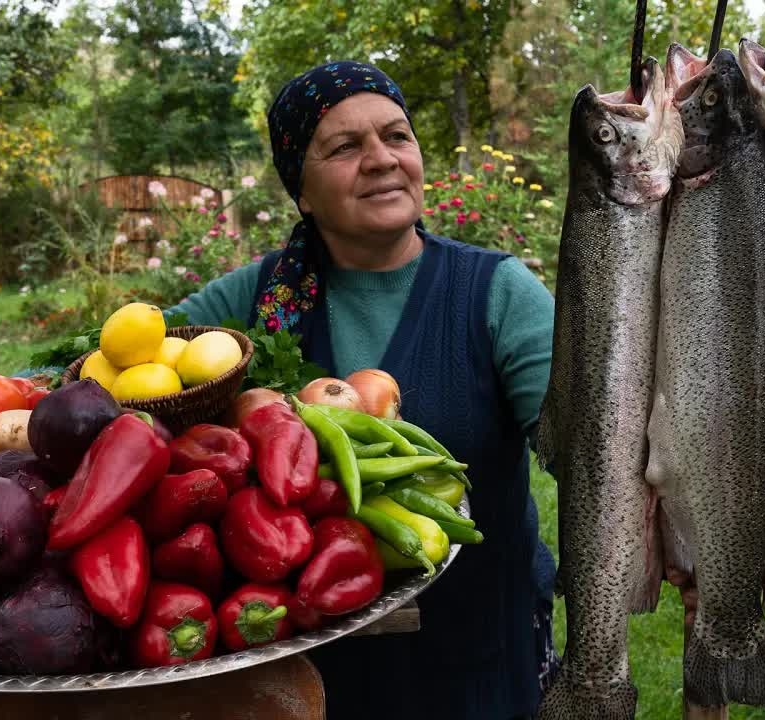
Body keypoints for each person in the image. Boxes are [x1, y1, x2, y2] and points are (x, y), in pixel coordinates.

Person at [164, 61, 558, 720]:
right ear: (303, 192)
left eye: (396, 136)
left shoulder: (495, 293)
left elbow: (578, 443)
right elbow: (128, 372)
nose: (382, 160)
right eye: (344, 147)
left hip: (473, 658)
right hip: (305, 669)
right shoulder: (253, 303)